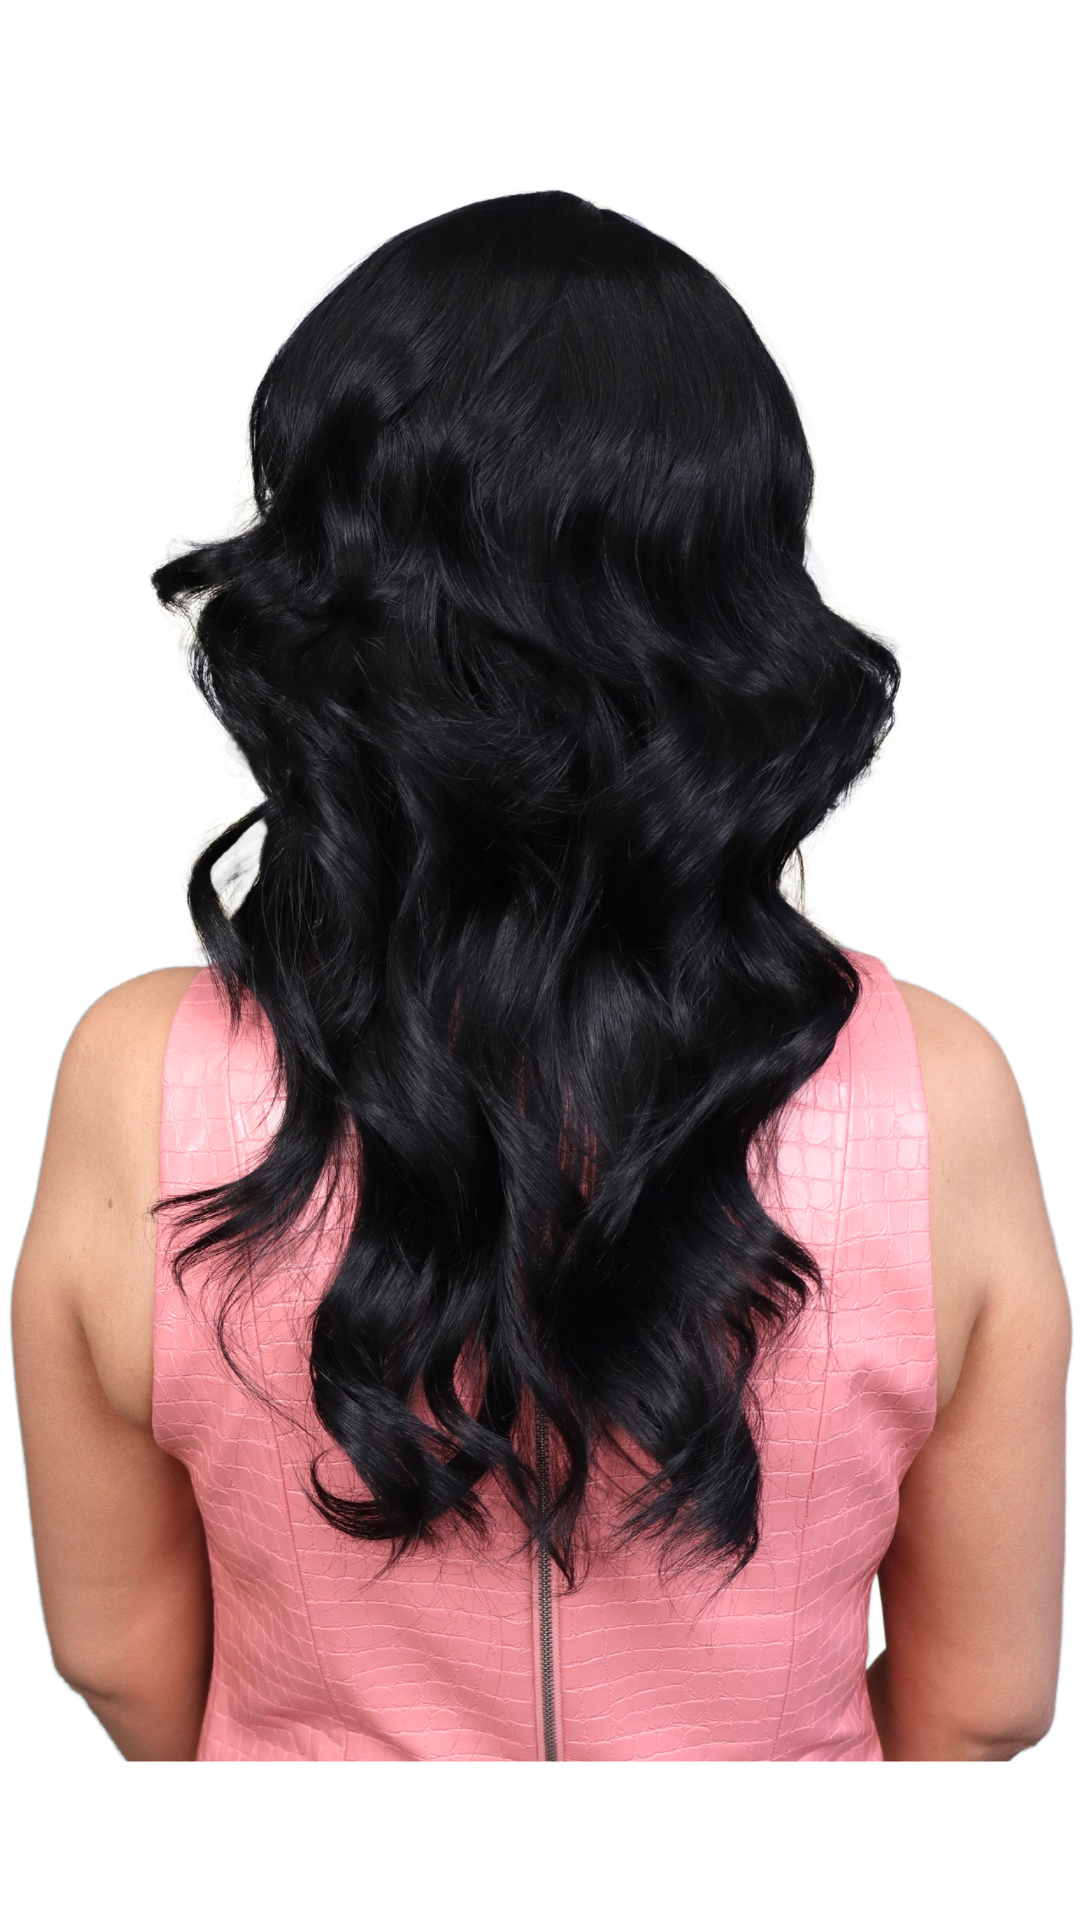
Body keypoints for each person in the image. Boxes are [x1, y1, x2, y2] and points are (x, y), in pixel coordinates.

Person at [11, 188, 1071, 1761]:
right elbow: (985, 1703)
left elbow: (115, 1655)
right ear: (746, 608)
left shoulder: (134, 1073)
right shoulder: (942, 1090)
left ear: (322, 594)